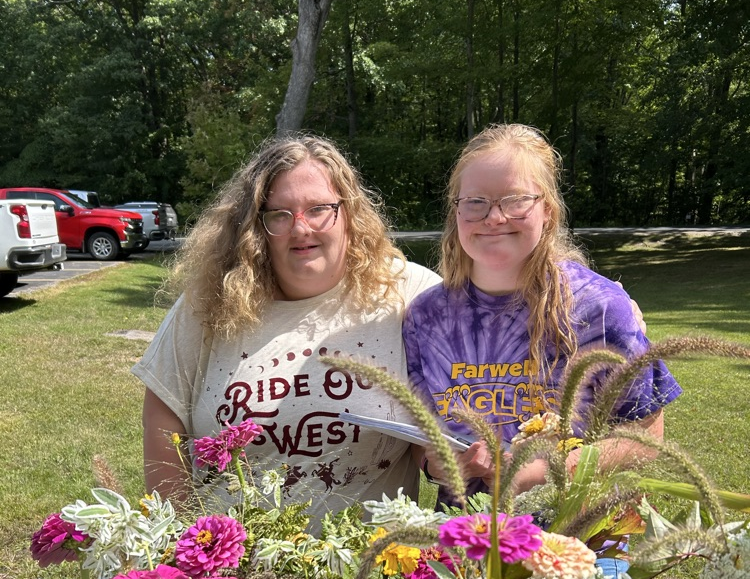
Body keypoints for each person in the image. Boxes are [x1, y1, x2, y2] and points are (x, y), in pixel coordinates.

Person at [132, 135, 440, 526]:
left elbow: (446, 410)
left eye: (319, 209)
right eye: (280, 214)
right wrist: (176, 539)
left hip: (370, 558)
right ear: (255, 227)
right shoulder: (210, 302)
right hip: (232, 558)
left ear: (349, 213)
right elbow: (163, 416)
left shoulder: (407, 293)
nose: (301, 228)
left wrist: (440, 457)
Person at [403, 123, 682, 505]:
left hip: (582, 532)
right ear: (456, 210)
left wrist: (548, 470)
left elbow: (646, 432)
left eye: (515, 200)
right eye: (476, 202)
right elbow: (418, 438)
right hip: (466, 532)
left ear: (547, 210)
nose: (494, 217)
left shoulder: (600, 309)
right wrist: (435, 464)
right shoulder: (424, 317)